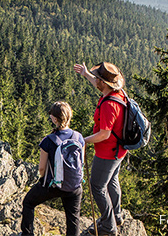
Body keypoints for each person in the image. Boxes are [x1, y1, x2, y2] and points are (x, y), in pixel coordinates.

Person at [74, 62, 127, 236]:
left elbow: (104, 134)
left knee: (97, 186)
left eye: (97, 78)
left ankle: (108, 227)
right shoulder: (117, 94)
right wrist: (86, 74)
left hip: (107, 152)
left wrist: (83, 140)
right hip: (118, 150)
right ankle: (116, 215)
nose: (95, 79)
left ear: (104, 82)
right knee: (112, 180)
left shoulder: (108, 105)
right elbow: (100, 85)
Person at [21, 101, 84, 236]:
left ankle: (27, 234)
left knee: (28, 203)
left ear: (55, 119)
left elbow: (42, 168)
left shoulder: (48, 140)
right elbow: (81, 163)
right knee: (73, 219)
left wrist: (43, 181)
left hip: (52, 185)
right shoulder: (79, 137)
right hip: (74, 186)